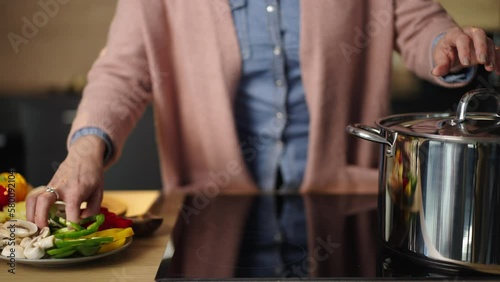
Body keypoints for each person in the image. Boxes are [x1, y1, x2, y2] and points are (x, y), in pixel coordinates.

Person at [27, 0, 499, 227]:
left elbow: (417, 22)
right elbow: (122, 72)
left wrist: (447, 46)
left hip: (346, 205)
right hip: (212, 209)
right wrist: (86, 149)